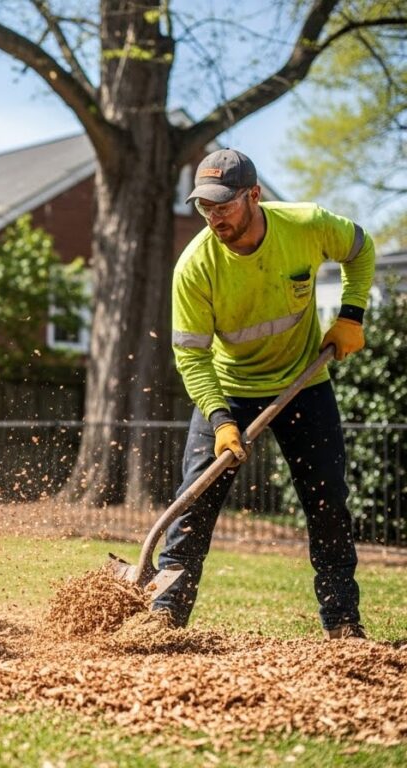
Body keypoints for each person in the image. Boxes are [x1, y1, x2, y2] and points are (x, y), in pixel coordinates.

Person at [155, 148, 375, 639]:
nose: (214, 217)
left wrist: (351, 315)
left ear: (253, 194)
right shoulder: (194, 267)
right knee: (193, 507)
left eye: (224, 204)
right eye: (204, 206)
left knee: (328, 503)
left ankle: (342, 621)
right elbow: (191, 356)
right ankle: (164, 619)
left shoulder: (308, 225)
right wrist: (220, 420)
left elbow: (362, 251)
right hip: (229, 390)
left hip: (304, 383)